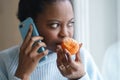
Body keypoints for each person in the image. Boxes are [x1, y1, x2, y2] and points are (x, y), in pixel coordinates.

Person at [0, 0, 103, 80]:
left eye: (70, 23)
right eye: (54, 25)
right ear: (30, 26)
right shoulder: (4, 61)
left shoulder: (81, 59)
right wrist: (22, 75)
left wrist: (80, 77)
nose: (65, 33)